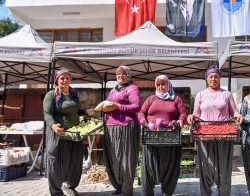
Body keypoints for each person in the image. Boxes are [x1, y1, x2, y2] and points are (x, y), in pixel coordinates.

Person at [187, 66, 243, 196]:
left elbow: (233, 111)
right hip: (204, 135)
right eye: (211, 76)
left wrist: (238, 115)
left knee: (223, 168)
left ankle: (223, 193)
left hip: (224, 135)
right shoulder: (201, 94)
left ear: (219, 78)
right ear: (206, 79)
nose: (213, 79)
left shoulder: (226, 94)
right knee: (206, 166)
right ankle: (206, 192)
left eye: (216, 76)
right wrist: (191, 116)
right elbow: (196, 113)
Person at [43, 69, 96, 196]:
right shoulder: (52, 95)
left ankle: (71, 186)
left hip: (74, 133)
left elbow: (74, 111)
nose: (65, 80)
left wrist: (85, 112)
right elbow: (47, 113)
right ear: (57, 80)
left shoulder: (73, 94)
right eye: (62, 78)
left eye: (67, 78)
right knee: (56, 162)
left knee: (75, 160)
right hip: (58, 133)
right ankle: (56, 191)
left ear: (70, 80)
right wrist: (53, 126)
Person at [138, 75, 187, 196]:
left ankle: (167, 191)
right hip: (151, 136)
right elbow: (141, 112)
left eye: (163, 84)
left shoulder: (176, 99)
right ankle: (147, 192)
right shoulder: (151, 99)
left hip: (170, 137)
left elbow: (183, 114)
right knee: (149, 165)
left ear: (168, 85)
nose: (161, 87)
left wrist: (181, 120)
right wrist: (143, 121)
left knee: (170, 165)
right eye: (158, 84)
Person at [102, 66, 141, 196]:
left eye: (123, 74)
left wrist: (118, 106)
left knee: (127, 159)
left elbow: (136, 106)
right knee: (114, 158)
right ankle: (118, 185)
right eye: (118, 74)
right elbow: (108, 104)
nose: (120, 76)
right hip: (111, 127)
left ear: (128, 75)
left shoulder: (132, 88)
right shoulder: (113, 90)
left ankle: (127, 189)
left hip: (126, 127)